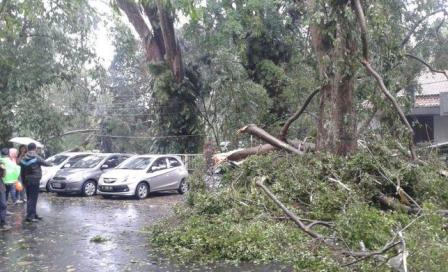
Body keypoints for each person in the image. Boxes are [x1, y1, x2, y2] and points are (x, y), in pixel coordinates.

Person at [20, 143, 50, 223]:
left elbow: (22, 172)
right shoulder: (36, 157)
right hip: (34, 180)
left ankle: (33, 214)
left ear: (28, 148)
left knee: (30, 198)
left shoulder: (23, 158)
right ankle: (30, 217)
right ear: (35, 148)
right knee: (33, 199)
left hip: (26, 180)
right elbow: (46, 164)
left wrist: (23, 182)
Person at [0, 164, 11, 231]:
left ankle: (2, 223)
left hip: (1, 188)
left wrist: (3, 169)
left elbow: (3, 175)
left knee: (3, 205)